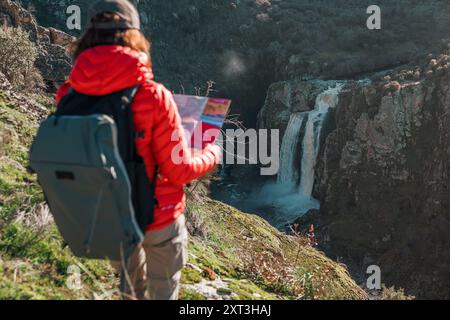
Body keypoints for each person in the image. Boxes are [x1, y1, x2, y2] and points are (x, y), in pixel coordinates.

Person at [56, 0, 222, 300]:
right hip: (158, 218)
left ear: (87, 37)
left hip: (106, 215)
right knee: (163, 289)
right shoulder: (154, 96)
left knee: (130, 289)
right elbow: (178, 170)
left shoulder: (68, 95)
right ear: (135, 37)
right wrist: (211, 152)